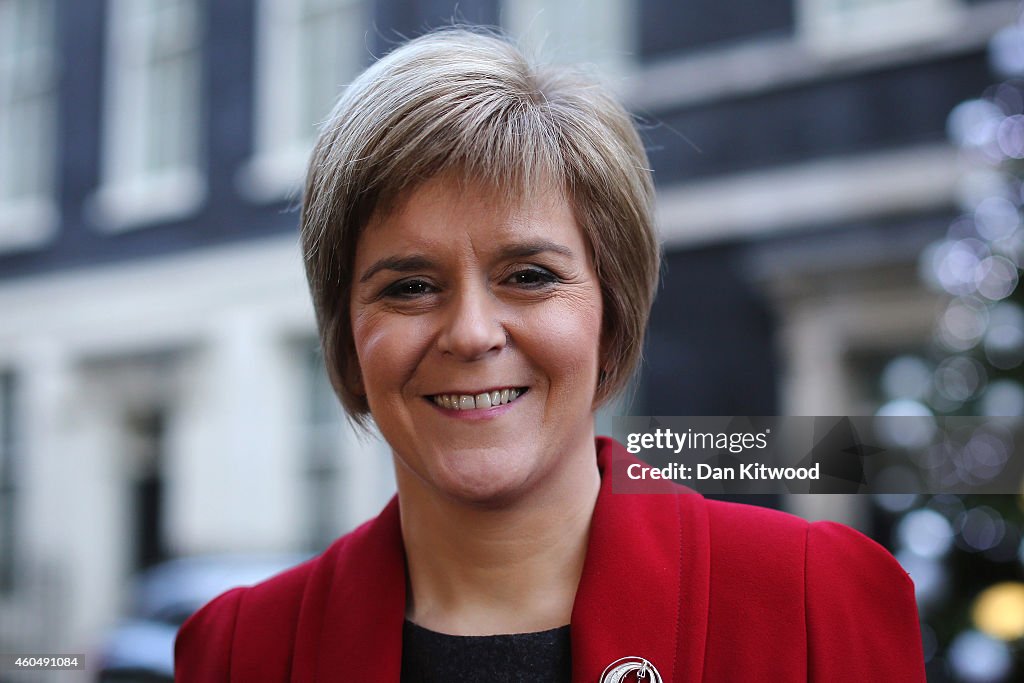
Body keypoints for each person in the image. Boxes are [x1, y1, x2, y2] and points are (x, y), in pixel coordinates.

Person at [174, 28, 926, 682]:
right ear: (346, 330)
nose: (471, 333)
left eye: (529, 276)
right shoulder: (240, 651)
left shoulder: (813, 602)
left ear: (613, 308)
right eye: (409, 285)